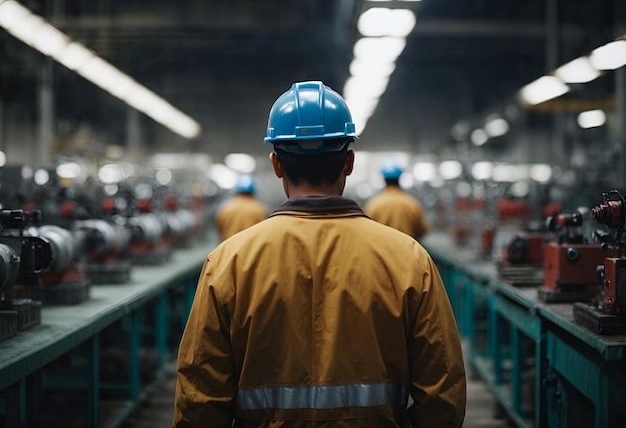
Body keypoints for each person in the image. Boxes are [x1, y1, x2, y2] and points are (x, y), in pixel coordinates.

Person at [173, 81, 466, 427]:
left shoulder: (228, 263)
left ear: (276, 164)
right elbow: (444, 392)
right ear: (350, 162)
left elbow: (198, 399)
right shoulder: (410, 260)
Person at [364, 161, 431, 241]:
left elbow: (367, 230)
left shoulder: (373, 204)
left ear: (384, 179)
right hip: (408, 251)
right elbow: (422, 229)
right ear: (399, 178)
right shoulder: (412, 204)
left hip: (381, 251)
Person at [214, 174, 269, 241]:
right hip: (253, 249)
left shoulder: (224, 208)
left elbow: (220, 231)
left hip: (230, 249)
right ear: (253, 191)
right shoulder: (261, 209)